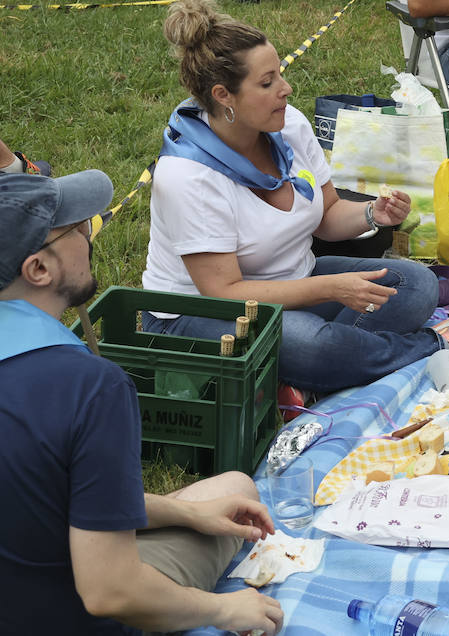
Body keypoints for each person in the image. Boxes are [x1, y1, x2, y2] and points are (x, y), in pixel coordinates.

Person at [0, 169, 284, 635]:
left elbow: (44, 490)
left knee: (217, 501)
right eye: (78, 229)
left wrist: (185, 512)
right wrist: (223, 611)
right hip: (68, 614)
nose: (91, 234)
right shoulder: (90, 387)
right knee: (236, 487)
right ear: (39, 269)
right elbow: (110, 592)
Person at [141, 0, 449, 394]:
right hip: (201, 314)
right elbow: (225, 293)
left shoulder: (288, 126)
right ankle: (427, 347)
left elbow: (327, 215)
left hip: (295, 281)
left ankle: (310, 375)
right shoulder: (187, 175)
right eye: (267, 83)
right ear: (223, 96)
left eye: (280, 75)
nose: (286, 89)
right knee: (312, 344)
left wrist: (374, 214)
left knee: (417, 285)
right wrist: (332, 288)